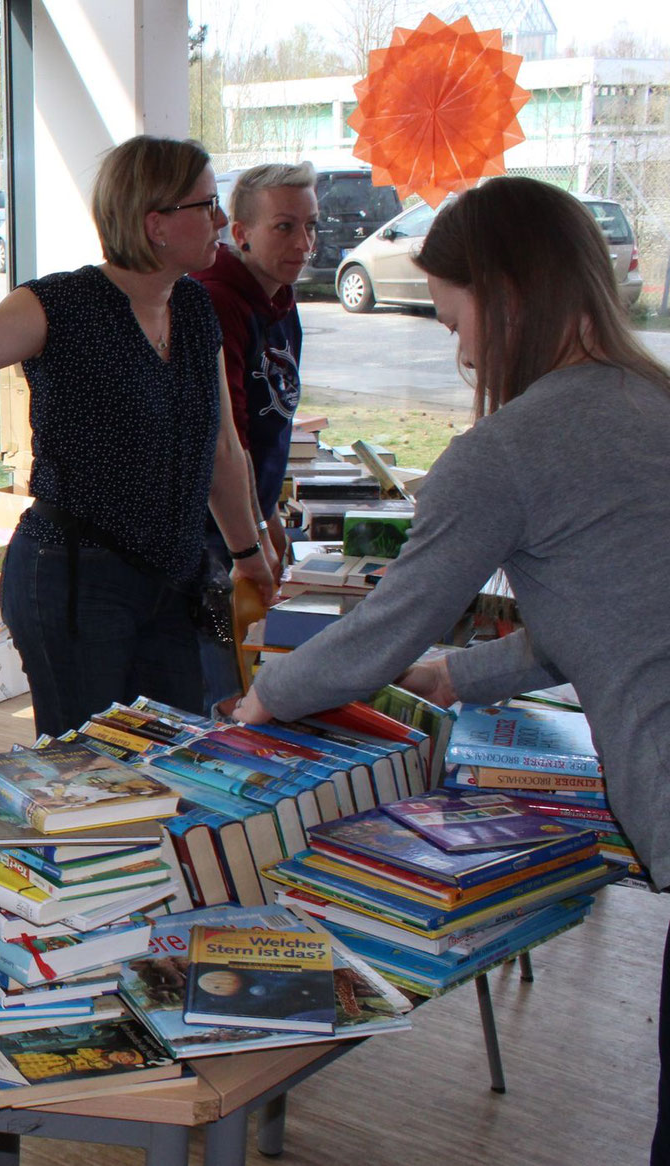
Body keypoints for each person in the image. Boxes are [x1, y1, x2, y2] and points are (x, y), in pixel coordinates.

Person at [227, 176, 670, 1160]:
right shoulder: (650, 397)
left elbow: (382, 626)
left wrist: (268, 691)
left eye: (455, 317)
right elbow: (604, 618)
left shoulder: (505, 447)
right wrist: (452, 678)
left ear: (508, 296)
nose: (460, 348)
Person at [0, 134, 279, 736]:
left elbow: (220, 447)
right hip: (76, 576)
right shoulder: (63, 303)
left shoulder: (193, 307)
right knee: (89, 779)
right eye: (208, 204)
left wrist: (248, 553)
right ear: (155, 223)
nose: (221, 220)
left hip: (174, 576)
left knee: (178, 760)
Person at [191, 162, 320, 710]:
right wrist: (253, 540)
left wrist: (270, 516)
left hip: (246, 520)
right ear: (240, 234)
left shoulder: (282, 301)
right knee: (224, 689)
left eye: (312, 225)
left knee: (247, 672)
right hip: (212, 530)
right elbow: (231, 437)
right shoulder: (216, 301)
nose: (305, 242)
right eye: (285, 227)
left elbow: (273, 425)